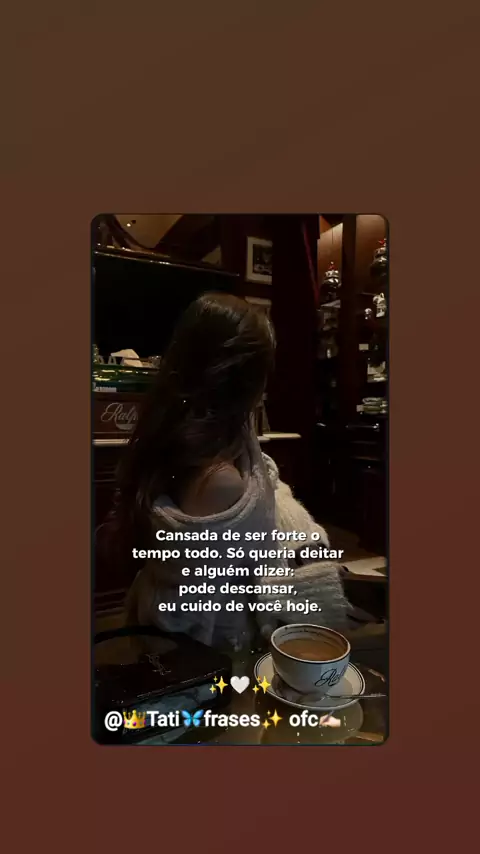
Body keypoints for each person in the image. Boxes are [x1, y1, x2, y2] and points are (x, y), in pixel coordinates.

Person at [109, 292, 349, 652]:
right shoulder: (218, 480)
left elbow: (267, 485)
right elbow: (209, 598)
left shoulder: (192, 433)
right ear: (244, 382)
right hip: (208, 650)